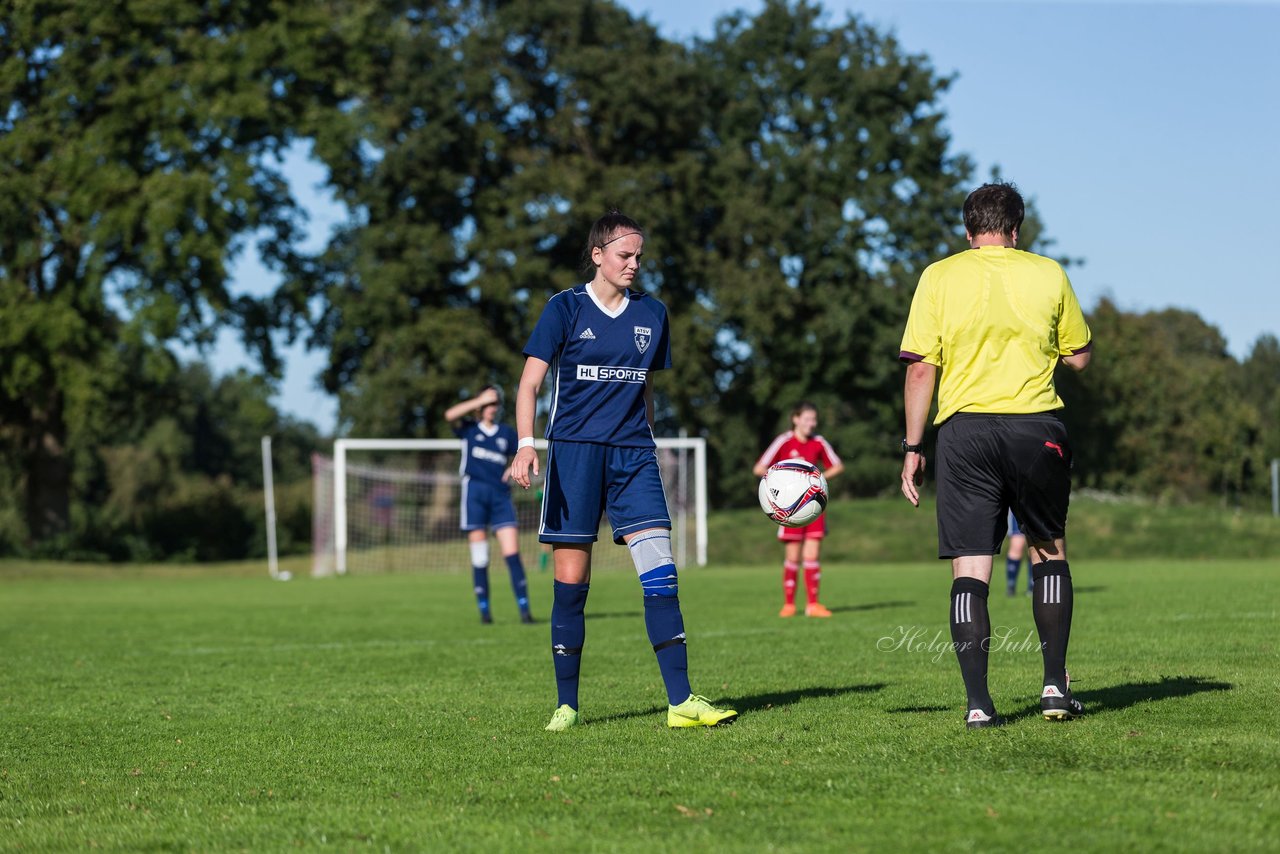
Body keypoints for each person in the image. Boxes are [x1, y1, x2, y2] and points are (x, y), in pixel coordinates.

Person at [510, 210, 737, 732]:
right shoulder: (564, 309)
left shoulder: (653, 314)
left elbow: (646, 390)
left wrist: (650, 442)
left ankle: (681, 702)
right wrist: (526, 445)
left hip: (634, 458)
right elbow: (529, 385)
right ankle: (567, 704)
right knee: (571, 584)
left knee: (662, 578)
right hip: (574, 455)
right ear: (598, 256)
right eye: (624, 255)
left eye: (639, 256)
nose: (634, 264)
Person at [897, 182, 1092, 729]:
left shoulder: (938, 275)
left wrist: (913, 448)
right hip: (1037, 428)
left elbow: (919, 369)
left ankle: (979, 704)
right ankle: (1055, 685)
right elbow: (1078, 357)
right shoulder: (1048, 272)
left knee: (971, 566)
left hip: (964, 432)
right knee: (1048, 552)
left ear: (966, 230)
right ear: (1017, 229)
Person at [444, 386, 534, 625]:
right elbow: (449, 415)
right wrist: (478, 399)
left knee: (512, 554)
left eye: (495, 403)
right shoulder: (469, 430)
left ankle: (525, 612)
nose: (491, 407)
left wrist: (512, 466)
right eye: (488, 403)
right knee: (480, 557)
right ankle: (485, 613)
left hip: (500, 497)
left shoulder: (505, 433)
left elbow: (523, 451)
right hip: (474, 494)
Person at [753, 402, 845, 618]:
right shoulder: (784, 441)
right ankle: (789, 605)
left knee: (812, 556)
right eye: (807, 419)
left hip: (812, 507)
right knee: (793, 557)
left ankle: (813, 605)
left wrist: (815, 482)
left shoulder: (818, 442)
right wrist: (779, 482)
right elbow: (759, 468)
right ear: (795, 419)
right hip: (788, 509)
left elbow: (838, 466)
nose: (811, 424)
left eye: (814, 419)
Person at [1005, 510, 1032, 597]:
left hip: (1039, 502)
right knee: (1017, 545)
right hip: (1017, 504)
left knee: (1036, 546)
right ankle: (1011, 587)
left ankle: (1033, 586)